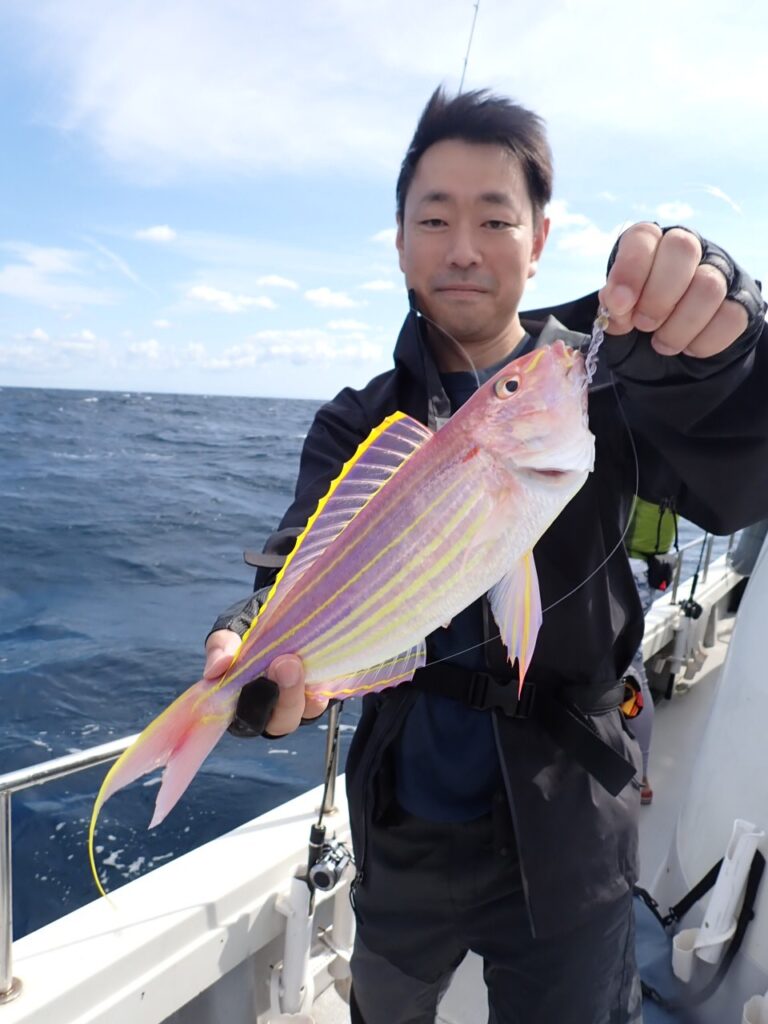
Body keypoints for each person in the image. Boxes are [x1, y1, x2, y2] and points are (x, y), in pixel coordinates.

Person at [204, 89, 768, 1024]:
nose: (463, 247)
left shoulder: (601, 385)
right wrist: (248, 647)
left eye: (496, 219)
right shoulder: (358, 420)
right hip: (405, 822)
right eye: (434, 219)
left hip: (574, 824)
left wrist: (726, 360)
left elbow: (739, 478)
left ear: (538, 239)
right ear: (399, 242)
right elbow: (292, 562)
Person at [623, 497, 679, 805]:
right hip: (648, 569)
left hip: (626, 570)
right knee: (630, 669)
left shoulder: (638, 468)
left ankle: (639, 775)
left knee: (629, 672)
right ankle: (640, 773)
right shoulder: (670, 468)